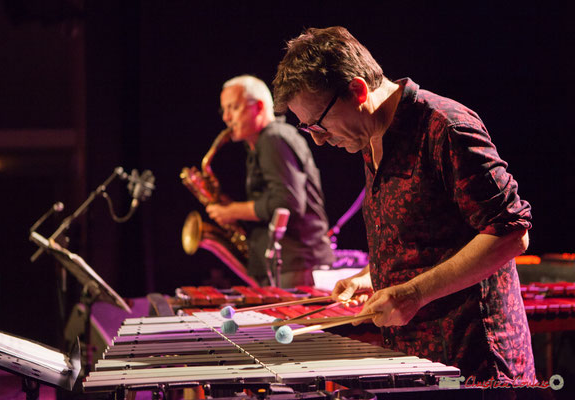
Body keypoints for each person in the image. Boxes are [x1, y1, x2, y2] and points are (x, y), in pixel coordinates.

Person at [272, 26, 535, 383]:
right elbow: (424, 243)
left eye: (318, 125)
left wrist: (413, 293)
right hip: (415, 361)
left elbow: (510, 233)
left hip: (476, 363)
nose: (318, 141)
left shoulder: (445, 128)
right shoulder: (370, 139)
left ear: (357, 91)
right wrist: (372, 277)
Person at [206, 75, 334, 288]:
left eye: (233, 108)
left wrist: (232, 211)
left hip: (294, 265)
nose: (226, 117)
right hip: (286, 265)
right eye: (224, 110)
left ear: (258, 106)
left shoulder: (273, 138)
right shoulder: (261, 143)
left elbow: (287, 203)